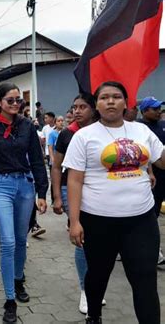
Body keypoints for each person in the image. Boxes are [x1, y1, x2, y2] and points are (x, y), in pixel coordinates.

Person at [64, 81, 165, 324]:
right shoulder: (84, 136)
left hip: (141, 220)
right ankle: (94, 314)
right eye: (104, 97)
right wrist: (75, 221)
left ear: (126, 103)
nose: (110, 101)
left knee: (145, 277)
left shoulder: (142, 132)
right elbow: (75, 180)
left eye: (117, 96)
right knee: (98, 274)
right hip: (98, 221)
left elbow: (162, 162)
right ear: (96, 105)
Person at [0, 83, 48, 323]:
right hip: (0, 186)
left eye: (19, 100)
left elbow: (37, 160)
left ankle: (18, 279)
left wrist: (42, 192)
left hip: (25, 186)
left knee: (20, 240)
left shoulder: (27, 126)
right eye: (11, 100)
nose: (16, 104)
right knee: (7, 242)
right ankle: (9, 300)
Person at [51, 94, 106, 314]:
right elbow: (56, 166)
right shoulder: (67, 134)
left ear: (93, 109)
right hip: (70, 188)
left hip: (101, 189)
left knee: (100, 240)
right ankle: (86, 290)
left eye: (83, 107)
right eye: (75, 107)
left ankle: (96, 286)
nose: (77, 111)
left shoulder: (105, 132)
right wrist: (56, 196)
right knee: (81, 237)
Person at [137, 96, 165, 266]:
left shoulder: (162, 125)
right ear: (144, 111)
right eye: (155, 108)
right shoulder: (139, 128)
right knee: (149, 214)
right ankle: (153, 251)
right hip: (151, 178)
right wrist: (150, 172)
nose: (159, 111)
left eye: (159, 108)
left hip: (163, 176)